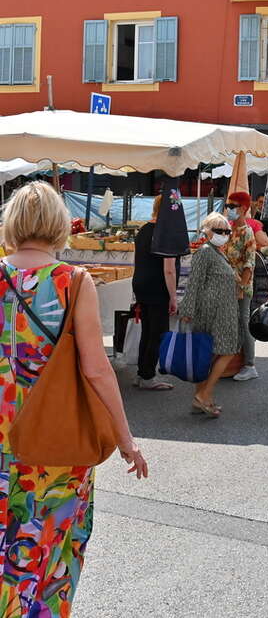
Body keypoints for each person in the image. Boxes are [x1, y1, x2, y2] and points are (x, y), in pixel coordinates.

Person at [0, 181, 147, 614]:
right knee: (47, 548)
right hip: (55, 442)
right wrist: (126, 440)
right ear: (59, 226)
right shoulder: (72, 281)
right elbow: (96, 369)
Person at [179, 212, 240, 417]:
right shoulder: (206, 252)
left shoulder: (215, 251)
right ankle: (204, 395)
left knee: (209, 354)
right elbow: (194, 282)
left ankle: (203, 397)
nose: (224, 234)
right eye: (219, 230)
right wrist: (187, 310)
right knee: (227, 350)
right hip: (214, 311)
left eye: (226, 231)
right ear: (208, 231)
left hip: (220, 309)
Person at [132, 193, 178, 390]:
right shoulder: (166, 232)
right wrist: (173, 296)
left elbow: (138, 259)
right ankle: (148, 375)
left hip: (141, 283)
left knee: (147, 331)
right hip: (157, 286)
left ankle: (142, 373)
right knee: (158, 332)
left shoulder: (143, 230)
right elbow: (168, 269)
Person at [224, 191, 258, 383]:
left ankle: (250, 364)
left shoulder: (247, 232)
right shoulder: (229, 229)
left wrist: (242, 287)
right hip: (228, 286)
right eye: (228, 206)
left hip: (241, 288)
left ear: (243, 208)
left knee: (244, 323)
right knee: (233, 323)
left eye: (232, 206)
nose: (228, 210)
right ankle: (233, 362)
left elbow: (249, 264)